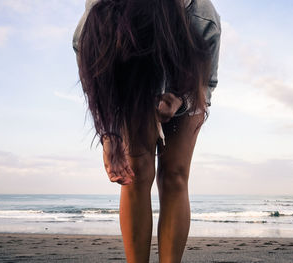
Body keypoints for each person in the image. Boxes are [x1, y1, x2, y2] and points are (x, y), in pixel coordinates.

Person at [73, 0, 221, 262]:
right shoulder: (103, 11)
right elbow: (94, 71)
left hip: (185, 80)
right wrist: (109, 133)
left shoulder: (202, 18)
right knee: (135, 174)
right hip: (134, 76)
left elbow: (207, 83)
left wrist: (182, 99)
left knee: (174, 175)